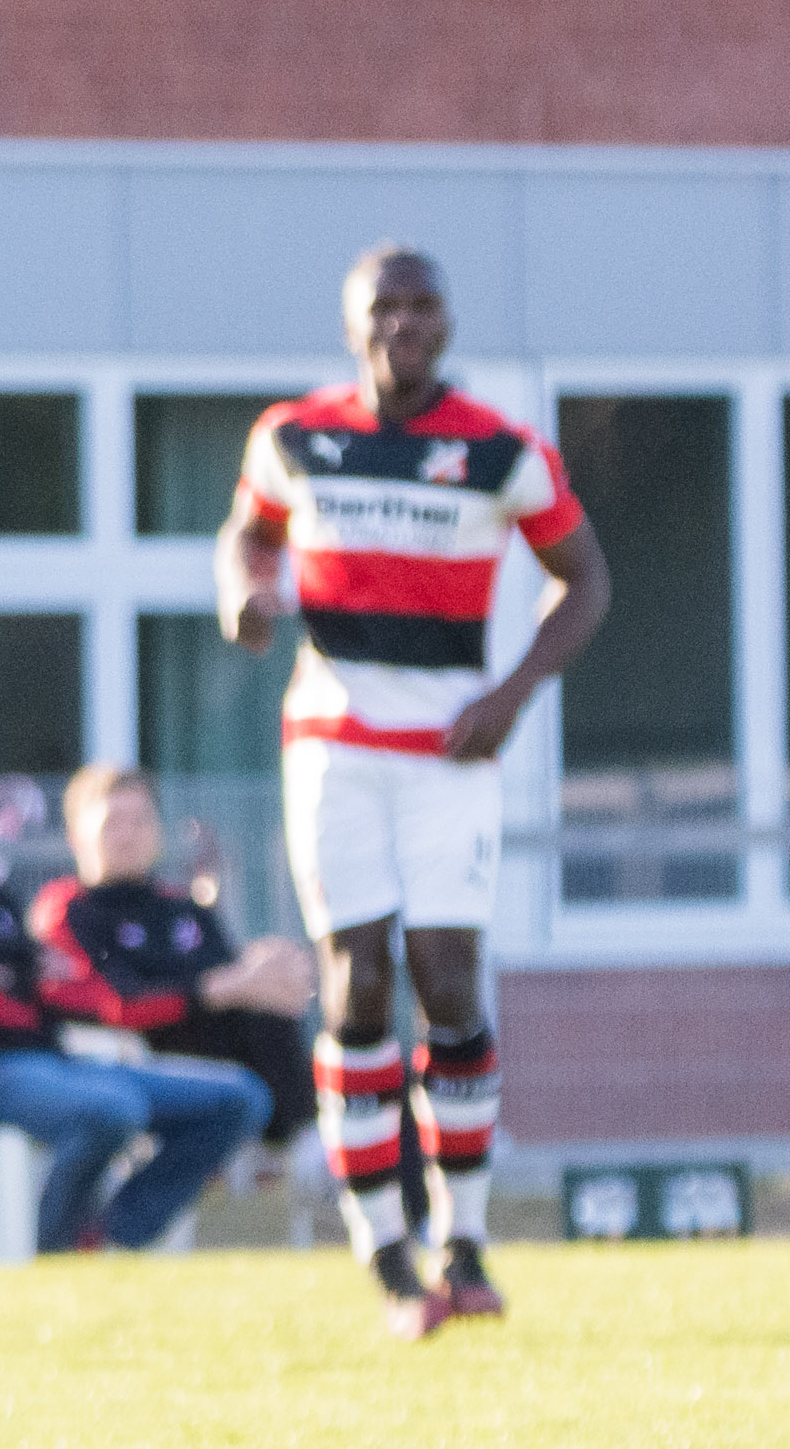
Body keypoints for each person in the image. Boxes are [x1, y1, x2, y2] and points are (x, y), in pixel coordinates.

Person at [219, 245, 609, 1338]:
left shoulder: (499, 452)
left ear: (446, 322)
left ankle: (468, 1241)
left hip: (450, 747)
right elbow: (247, 536)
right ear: (353, 324)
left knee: (448, 977)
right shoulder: (293, 436)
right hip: (336, 741)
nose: (404, 323)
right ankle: (387, 1251)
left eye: (421, 305)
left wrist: (517, 691)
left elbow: (587, 578)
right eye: (383, 306)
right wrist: (243, 597)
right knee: (359, 985)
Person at [0, 746, 269, 1254]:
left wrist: (24, 986)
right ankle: (51, 1247)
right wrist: (23, 995)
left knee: (240, 1099)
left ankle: (111, 1234)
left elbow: (56, 983)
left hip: (56, 1061)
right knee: (114, 1109)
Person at [29, 764, 319, 1179]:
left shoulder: (182, 906)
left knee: (284, 1003)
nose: (129, 834)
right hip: (129, 1066)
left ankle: (304, 1145)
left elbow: (231, 977)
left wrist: (268, 970)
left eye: (141, 820)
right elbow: (115, 1004)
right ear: (77, 834)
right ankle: (299, 1145)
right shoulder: (65, 909)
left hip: (220, 1059)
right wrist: (219, 989)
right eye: (114, 823)